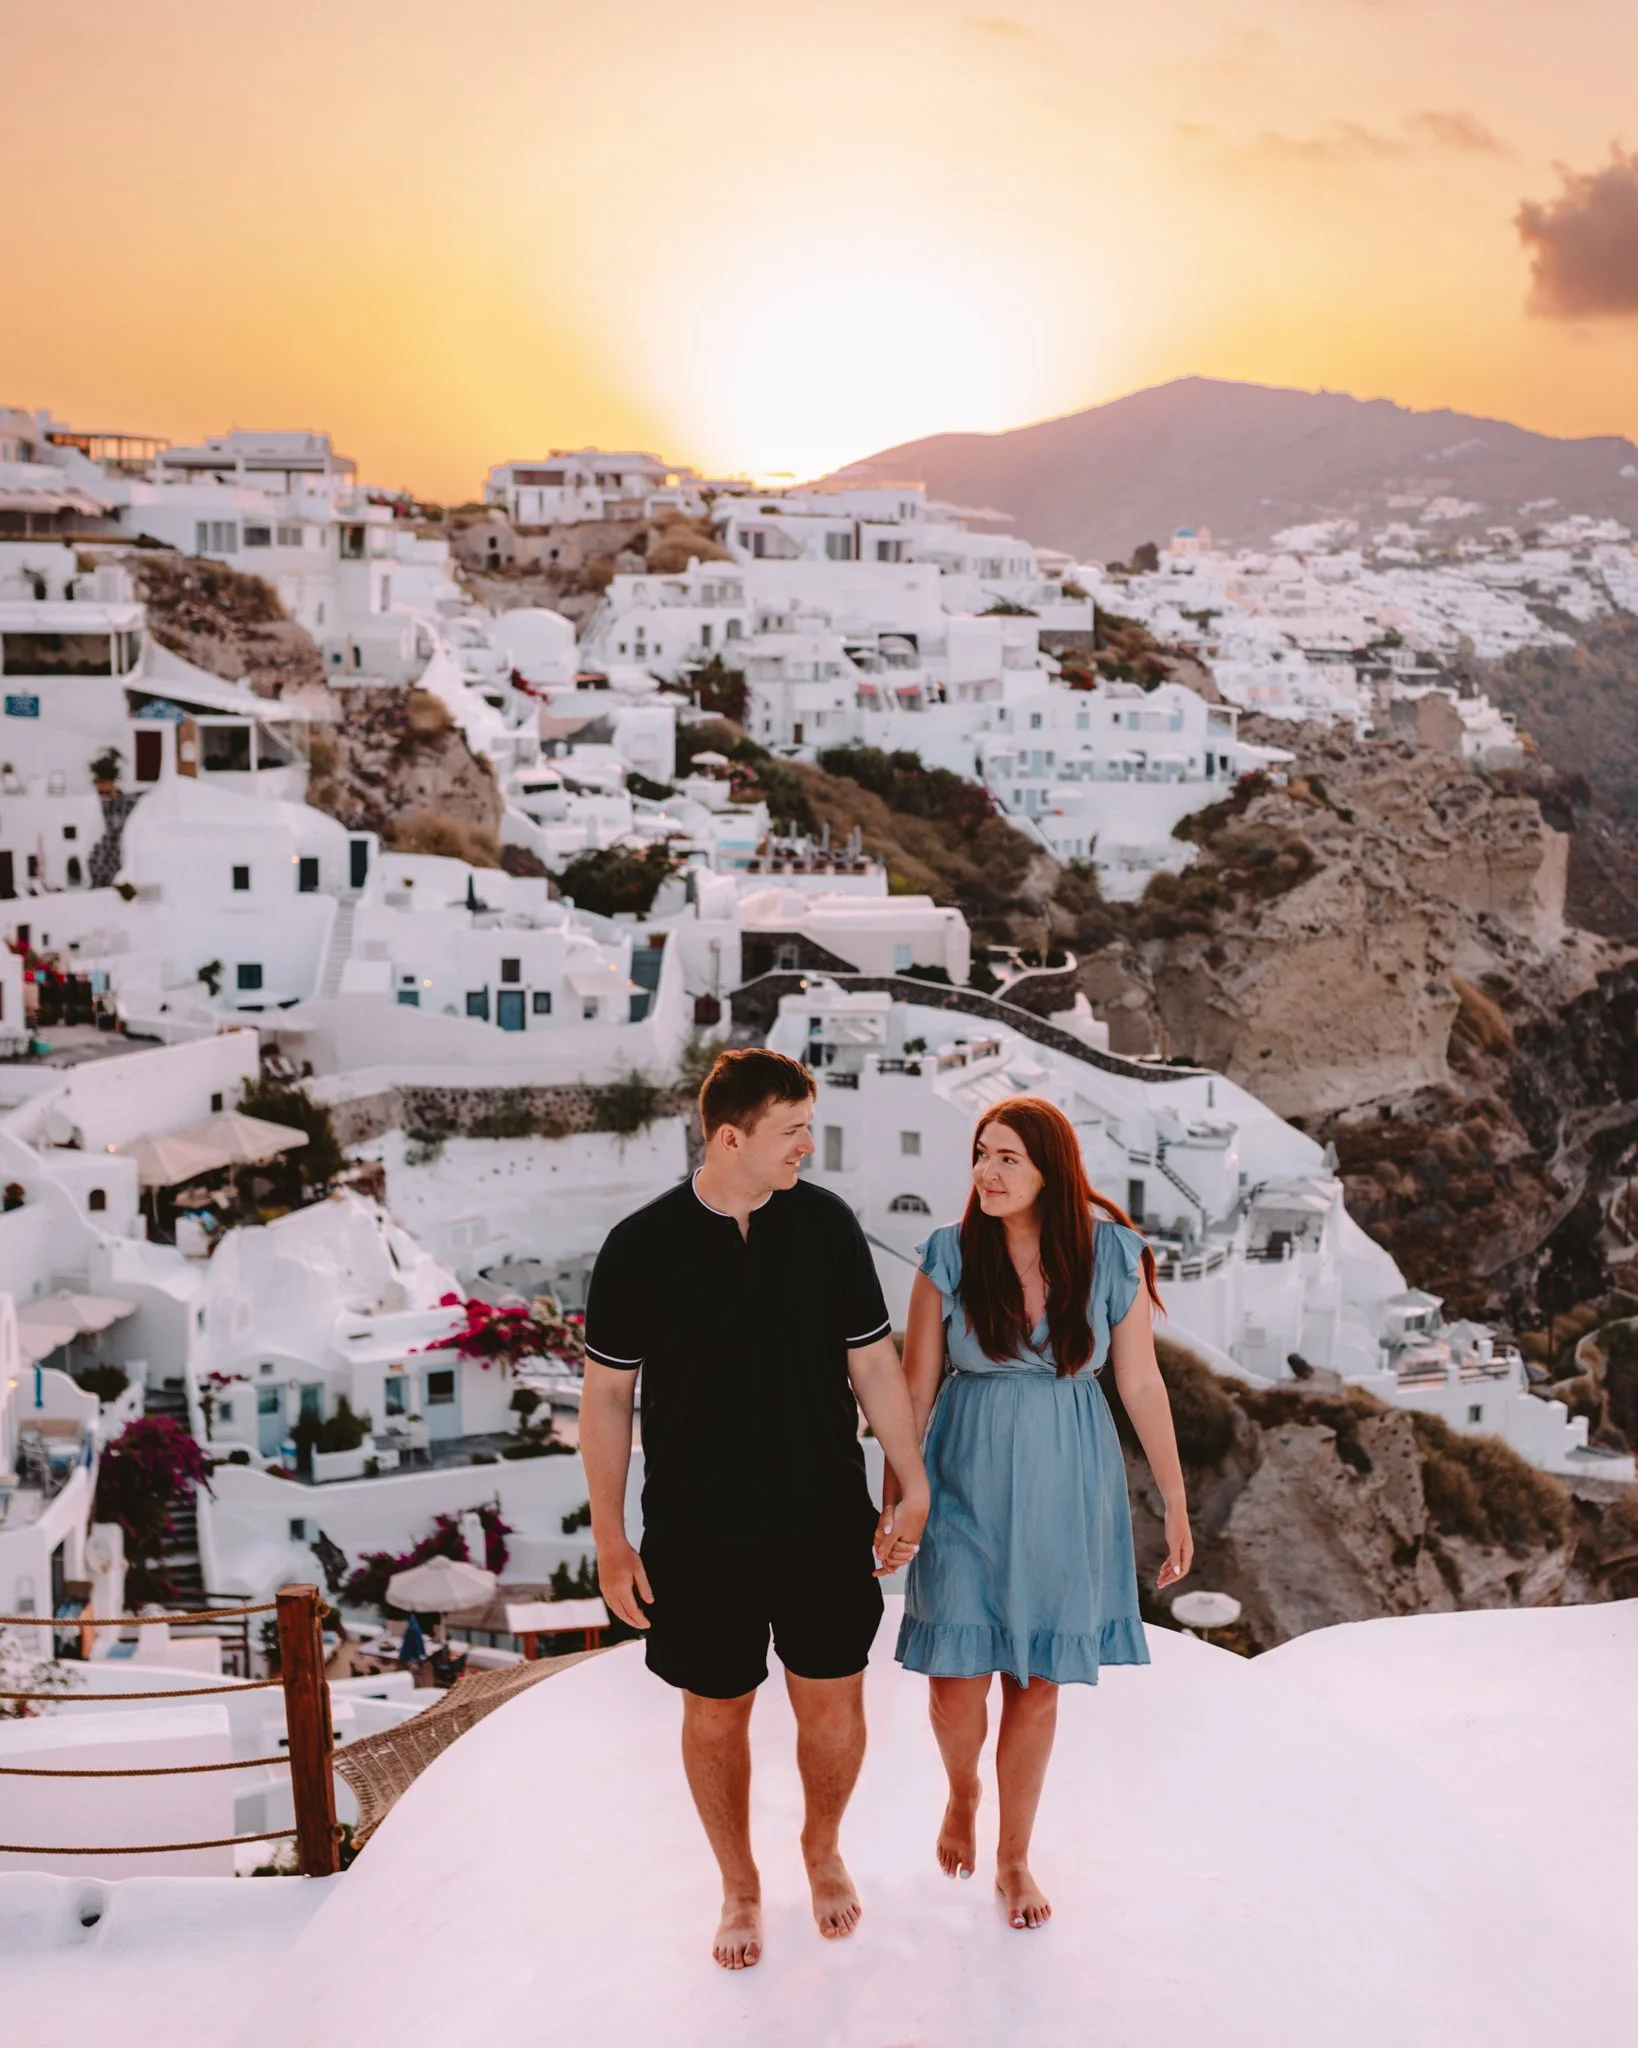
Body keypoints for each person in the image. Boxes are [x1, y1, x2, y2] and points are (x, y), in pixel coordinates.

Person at [581, 1047, 930, 1971]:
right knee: (715, 1715)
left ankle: (821, 1847)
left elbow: (873, 1364)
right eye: (792, 1131)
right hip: (696, 1532)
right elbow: (607, 1401)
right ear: (730, 1137)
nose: (808, 1147)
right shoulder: (639, 1247)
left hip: (822, 1516)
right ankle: (739, 1883)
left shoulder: (827, 1227)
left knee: (833, 1705)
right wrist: (611, 1538)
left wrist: (912, 1480)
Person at [886, 1095, 1192, 1931]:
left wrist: (1173, 1499)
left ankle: (1015, 1857)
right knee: (955, 1685)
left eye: (1008, 1157)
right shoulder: (947, 1256)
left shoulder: (1112, 1255)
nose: (987, 1171)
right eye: (981, 1154)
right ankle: (963, 1792)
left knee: (1037, 1684)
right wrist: (896, 1500)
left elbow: (1139, 1383)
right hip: (962, 1474)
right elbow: (914, 1388)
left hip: (1069, 1478)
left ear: (1050, 1169)